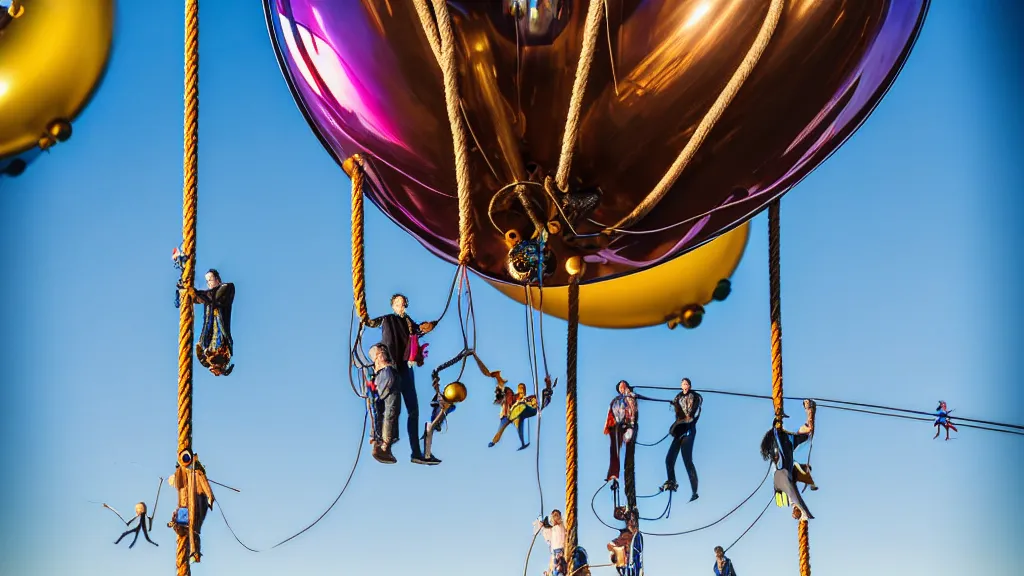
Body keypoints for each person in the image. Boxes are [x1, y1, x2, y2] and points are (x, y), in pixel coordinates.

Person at [366, 294, 435, 464]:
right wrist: (363, 316)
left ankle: (416, 453)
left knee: (413, 409)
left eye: (403, 303)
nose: (401, 306)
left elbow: (419, 330)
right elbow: (371, 322)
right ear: (393, 306)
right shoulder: (387, 319)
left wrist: (431, 325)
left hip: (405, 367)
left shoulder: (410, 324)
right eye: (398, 303)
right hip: (392, 366)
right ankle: (384, 443)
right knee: (390, 404)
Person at [182, 269, 235, 376]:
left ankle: (219, 359)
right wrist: (184, 289)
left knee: (216, 346)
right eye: (207, 281)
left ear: (217, 279)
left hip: (221, 336)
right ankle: (213, 356)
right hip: (208, 337)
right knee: (204, 348)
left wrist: (194, 292)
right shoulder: (207, 297)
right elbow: (198, 297)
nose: (209, 283)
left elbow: (212, 296)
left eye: (210, 279)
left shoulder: (227, 287)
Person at [168, 456, 215, 563]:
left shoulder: (197, 474)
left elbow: (208, 491)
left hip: (196, 504)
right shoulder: (184, 477)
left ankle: (195, 552)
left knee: (193, 528)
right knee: (183, 526)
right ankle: (179, 529)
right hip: (185, 506)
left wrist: (209, 499)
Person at [663, 378, 702, 501]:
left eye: (686, 384)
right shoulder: (677, 398)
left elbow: (696, 409)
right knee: (669, 459)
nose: (685, 386)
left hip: (689, 430)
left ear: (689, 385)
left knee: (687, 461)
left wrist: (690, 416)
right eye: (683, 384)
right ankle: (671, 481)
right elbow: (677, 412)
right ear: (681, 386)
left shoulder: (695, 396)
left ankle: (694, 491)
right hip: (680, 430)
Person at [605, 380, 639, 511]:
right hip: (620, 426)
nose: (621, 388)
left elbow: (633, 411)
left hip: (630, 426)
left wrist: (629, 393)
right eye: (620, 386)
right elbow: (612, 415)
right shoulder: (616, 401)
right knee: (614, 449)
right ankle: (613, 472)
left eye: (623, 386)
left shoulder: (630, 397)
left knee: (629, 463)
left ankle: (631, 502)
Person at [368, 343, 399, 464]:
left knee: (377, 409)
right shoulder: (386, 366)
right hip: (387, 373)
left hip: (378, 376)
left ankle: (377, 441)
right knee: (391, 410)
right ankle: (385, 446)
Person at [488, 383, 539, 450]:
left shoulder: (515, 396)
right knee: (501, 429)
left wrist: (533, 400)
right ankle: (493, 441)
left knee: (519, 427)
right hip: (507, 416)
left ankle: (523, 443)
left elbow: (522, 397)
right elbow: (499, 399)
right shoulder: (506, 396)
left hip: (515, 414)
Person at [533, 509, 567, 576]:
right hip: (555, 554)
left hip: (563, 553)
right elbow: (545, 530)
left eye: (557, 515)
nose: (556, 518)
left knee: (560, 569)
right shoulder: (551, 529)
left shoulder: (563, 526)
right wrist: (541, 522)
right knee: (556, 569)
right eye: (554, 516)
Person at [608, 509, 640, 576]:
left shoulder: (637, 538)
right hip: (625, 568)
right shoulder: (623, 537)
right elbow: (610, 545)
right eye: (630, 520)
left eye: (633, 520)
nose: (632, 523)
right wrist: (617, 554)